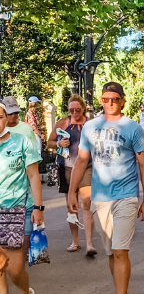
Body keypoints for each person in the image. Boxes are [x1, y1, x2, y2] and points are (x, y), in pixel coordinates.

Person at [67, 81, 144, 294]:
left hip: (126, 197)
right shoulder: (91, 127)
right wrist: (72, 192)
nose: (110, 103)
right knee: (110, 253)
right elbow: (82, 162)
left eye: (115, 98)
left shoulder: (133, 128)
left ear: (123, 101)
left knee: (120, 251)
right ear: (101, 101)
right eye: (106, 99)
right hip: (100, 198)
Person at [0, 102, 44, 294]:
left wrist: (38, 207)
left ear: (6, 118)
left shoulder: (21, 142)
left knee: (14, 268)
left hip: (19, 208)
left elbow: (34, 175)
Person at [47, 93, 96, 256]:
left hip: (86, 167)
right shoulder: (63, 123)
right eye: (71, 110)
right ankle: (75, 241)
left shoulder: (90, 123)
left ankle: (89, 244)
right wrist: (59, 143)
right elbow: (50, 142)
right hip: (66, 167)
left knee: (87, 203)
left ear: (83, 108)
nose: (75, 112)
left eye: (77, 109)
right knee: (71, 206)